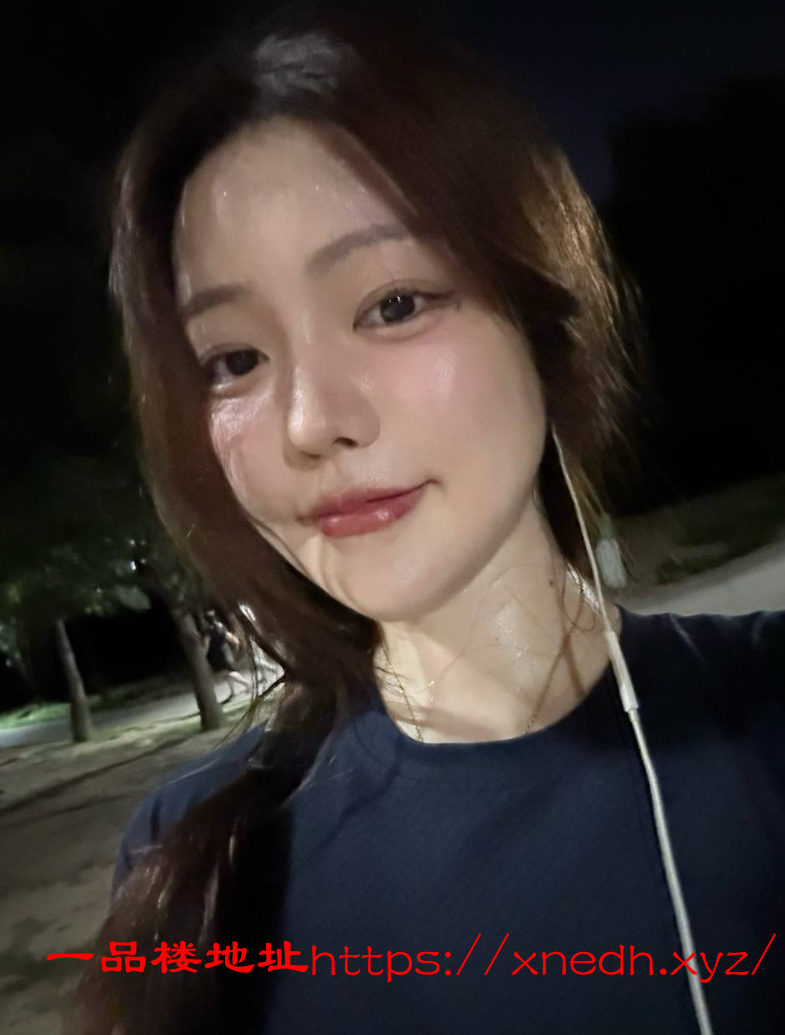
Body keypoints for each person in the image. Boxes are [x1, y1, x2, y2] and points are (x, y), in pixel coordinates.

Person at [69, 5, 785, 1035]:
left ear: (540, 316)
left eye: (393, 304)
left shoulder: (761, 718)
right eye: (234, 360)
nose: (310, 421)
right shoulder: (194, 863)